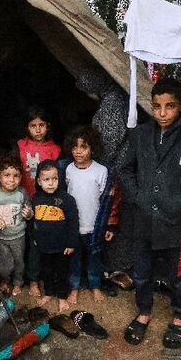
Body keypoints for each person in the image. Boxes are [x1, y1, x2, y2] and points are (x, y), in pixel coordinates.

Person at [119, 78, 181, 349]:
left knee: (178, 275)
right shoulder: (139, 135)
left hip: (176, 222)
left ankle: (180, 316)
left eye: (169, 106)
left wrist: (178, 202)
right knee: (141, 272)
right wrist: (137, 196)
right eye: (157, 106)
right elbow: (125, 169)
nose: (162, 113)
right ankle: (144, 311)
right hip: (143, 220)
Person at [17, 107, 61, 297]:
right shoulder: (20, 146)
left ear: (47, 126)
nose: (37, 130)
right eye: (33, 126)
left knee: (45, 240)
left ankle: (46, 278)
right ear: (27, 127)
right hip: (25, 199)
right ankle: (32, 280)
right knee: (28, 241)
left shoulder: (55, 149)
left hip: (47, 201)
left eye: (41, 125)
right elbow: (8, 163)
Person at [64, 126, 110, 303]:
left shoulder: (101, 171)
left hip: (94, 226)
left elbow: (106, 201)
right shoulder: (68, 170)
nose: (78, 151)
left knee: (94, 258)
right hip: (74, 226)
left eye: (83, 147)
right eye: (75, 147)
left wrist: (108, 225)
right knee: (74, 259)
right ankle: (74, 288)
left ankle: (95, 286)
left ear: (92, 148)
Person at [31, 160, 79, 312]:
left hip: (62, 247)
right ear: (39, 181)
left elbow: (73, 223)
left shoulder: (67, 200)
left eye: (54, 179)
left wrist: (71, 243)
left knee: (62, 272)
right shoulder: (35, 199)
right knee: (46, 272)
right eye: (46, 179)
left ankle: (62, 296)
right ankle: (49, 292)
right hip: (43, 246)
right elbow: (34, 222)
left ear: (60, 179)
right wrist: (34, 239)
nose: (51, 183)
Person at [0, 155, 33, 296]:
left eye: (16, 176)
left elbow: (29, 212)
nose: (11, 179)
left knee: (19, 262)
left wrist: (28, 213)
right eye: (7, 175)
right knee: (4, 264)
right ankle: (4, 280)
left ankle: (18, 282)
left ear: (21, 178)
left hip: (19, 235)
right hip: (1, 237)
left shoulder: (21, 193)